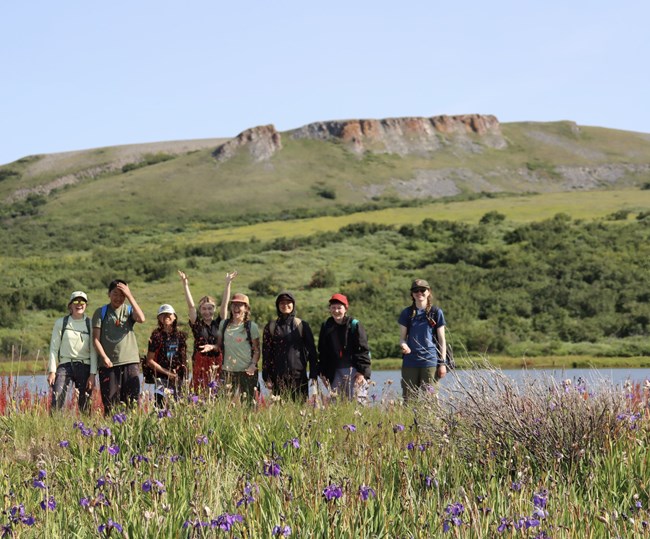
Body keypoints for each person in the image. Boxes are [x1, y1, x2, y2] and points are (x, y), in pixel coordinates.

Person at [92, 279, 146, 415]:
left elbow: (141, 318)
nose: (118, 298)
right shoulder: (101, 312)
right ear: (109, 294)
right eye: (115, 294)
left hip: (130, 362)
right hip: (108, 365)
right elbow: (95, 340)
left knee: (132, 403)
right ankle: (111, 434)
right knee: (110, 404)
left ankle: (131, 434)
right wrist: (104, 357)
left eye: (122, 295)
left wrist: (130, 296)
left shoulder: (128, 310)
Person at [178, 270, 237, 391]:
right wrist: (185, 284)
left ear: (214, 309)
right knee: (199, 393)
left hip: (218, 362)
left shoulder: (219, 323)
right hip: (200, 363)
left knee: (217, 392)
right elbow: (191, 306)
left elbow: (225, 304)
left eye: (210, 308)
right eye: (204, 309)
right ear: (200, 310)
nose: (207, 312)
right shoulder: (197, 325)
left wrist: (227, 284)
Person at [202, 292, 260, 402]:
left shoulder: (251, 327)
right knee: (224, 404)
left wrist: (253, 365)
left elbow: (257, 350)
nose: (236, 308)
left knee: (249, 405)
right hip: (227, 371)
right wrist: (211, 347)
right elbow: (218, 345)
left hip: (247, 371)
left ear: (246, 308)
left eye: (240, 305)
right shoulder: (223, 324)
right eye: (234, 305)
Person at [398, 279, 447, 401]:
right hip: (410, 362)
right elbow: (402, 339)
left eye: (422, 290)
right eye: (415, 290)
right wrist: (404, 346)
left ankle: (431, 421)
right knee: (409, 399)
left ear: (428, 292)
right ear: (412, 294)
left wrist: (442, 364)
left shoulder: (436, 312)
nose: (419, 293)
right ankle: (408, 420)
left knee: (430, 400)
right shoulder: (406, 313)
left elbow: (442, 340)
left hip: (430, 361)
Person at [48, 291, 97, 412]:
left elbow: (94, 351)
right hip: (65, 366)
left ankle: (86, 428)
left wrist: (92, 374)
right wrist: (52, 371)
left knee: (85, 404)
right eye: (76, 301)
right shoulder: (61, 323)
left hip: (85, 366)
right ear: (70, 305)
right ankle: (55, 426)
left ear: (85, 305)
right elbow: (54, 349)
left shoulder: (90, 324)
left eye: (82, 301)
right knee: (57, 399)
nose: (79, 304)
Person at [262, 291, 317, 401]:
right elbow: (266, 353)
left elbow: (312, 352)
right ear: (278, 306)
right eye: (282, 303)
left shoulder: (302, 325)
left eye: (288, 302)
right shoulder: (271, 327)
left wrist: (313, 375)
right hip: (278, 378)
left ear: (293, 304)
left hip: (298, 377)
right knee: (280, 411)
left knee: (299, 411)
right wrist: (266, 377)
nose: (285, 305)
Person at [316, 293, 371, 401]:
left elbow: (363, 350)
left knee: (358, 403)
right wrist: (322, 372)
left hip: (355, 372)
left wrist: (361, 372)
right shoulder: (326, 326)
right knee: (337, 405)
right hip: (334, 372)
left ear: (345, 309)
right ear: (330, 309)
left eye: (339, 308)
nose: (336, 311)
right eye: (333, 308)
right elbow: (322, 351)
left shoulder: (354, 325)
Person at [145, 304, 188, 407]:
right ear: (159, 318)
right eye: (162, 315)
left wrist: (184, 377)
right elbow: (150, 361)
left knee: (178, 408)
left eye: (169, 314)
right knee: (159, 407)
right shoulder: (156, 336)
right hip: (161, 378)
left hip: (178, 378)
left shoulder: (181, 336)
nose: (166, 317)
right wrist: (168, 373)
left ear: (174, 317)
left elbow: (184, 359)